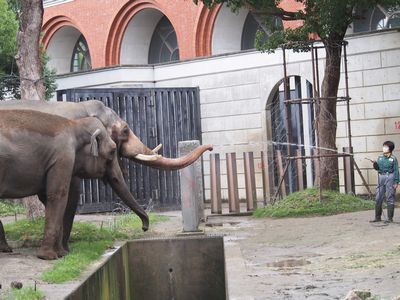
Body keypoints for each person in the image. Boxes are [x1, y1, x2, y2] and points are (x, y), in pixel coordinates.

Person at [370, 141, 399, 223]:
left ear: (390, 148)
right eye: (383, 146)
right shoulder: (380, 157)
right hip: (381, 176)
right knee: (378, 196)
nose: (384, 148)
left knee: (390, 196)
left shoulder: (393, 159)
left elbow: (396, 170)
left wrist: (396, 182)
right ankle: (377, 217)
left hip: (390, 176)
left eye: (385, 147)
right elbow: (377, 168)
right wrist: (374, 163)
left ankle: (390, 218)